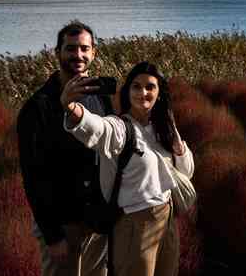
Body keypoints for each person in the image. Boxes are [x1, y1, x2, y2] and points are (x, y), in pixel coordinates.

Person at [62, 61, 193, 276]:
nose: (143, 92)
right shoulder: (120, 127)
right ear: (127, 91)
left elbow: (185, 173)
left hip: (168, 220)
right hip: (135, 224)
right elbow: (98, 128)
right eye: (136, 86)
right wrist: (72, 107)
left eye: (150, 87)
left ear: (159, 93)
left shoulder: (162, 127)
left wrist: (177, 144)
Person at [17, 21, 110, 276]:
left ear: (93, 52)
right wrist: (52, 235)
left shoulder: (100, 97)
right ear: (57, 52)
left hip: (97, 222)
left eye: (84, 48)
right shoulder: (37, 107)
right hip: (62, 224)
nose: (78, 55)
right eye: (70, 49)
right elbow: (32, 175)